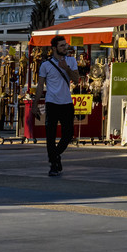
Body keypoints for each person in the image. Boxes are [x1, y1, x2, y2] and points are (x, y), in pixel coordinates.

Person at [35, 36, 80, 177]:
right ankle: (53, 165)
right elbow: (40, 85)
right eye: (61, 46)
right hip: (52, 102)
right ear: (54, 48)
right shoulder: (45, 65)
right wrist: (35, 104)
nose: (65, 48)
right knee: (50, 134)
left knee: (68, 134)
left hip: (66, 102)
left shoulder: (71, 61)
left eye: (65, 45)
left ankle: (55, 155)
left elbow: (76, 80)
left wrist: (66, 68)